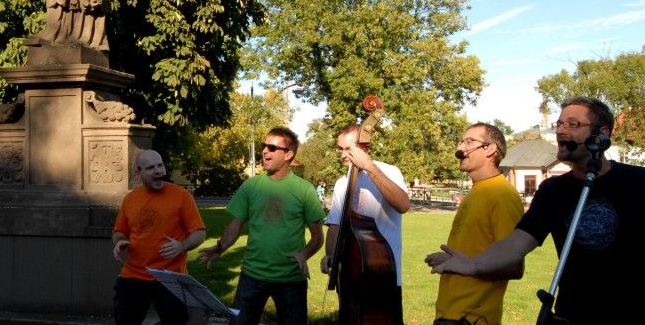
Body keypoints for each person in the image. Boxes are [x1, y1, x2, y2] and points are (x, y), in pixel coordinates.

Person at [429, 97, 645, 325]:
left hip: (642, 317)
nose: (561, 131)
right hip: (571, 318)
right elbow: (516, 243)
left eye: (573, 124)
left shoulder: (642, 182)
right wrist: (475, 264)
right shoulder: (553, 191)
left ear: (602, 134)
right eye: (559, 124)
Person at [198, 127, 325, 325]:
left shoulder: (305, 190)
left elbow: (318, 236)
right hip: (252, 276)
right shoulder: (251, 186)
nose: (265, 151)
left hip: (291, 280)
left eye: (272, 147)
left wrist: (304, 254)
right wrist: (220, 247)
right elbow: (235, 225)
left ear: (288, 154)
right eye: (264, 146)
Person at [425, 123, 524, 325]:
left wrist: (469, 265)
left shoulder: (502, 195)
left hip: (472, 318)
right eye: (462, 141)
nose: (460, 147)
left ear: (490, 149)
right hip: (450, 314)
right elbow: (474, 249)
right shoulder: (476, 190)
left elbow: (514, 266)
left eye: (469, 141)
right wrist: (450, 261)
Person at [320, 123, 410, 324]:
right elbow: (335, 224)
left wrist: (369, 167)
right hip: (349, 272)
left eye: (348, 149)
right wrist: (330, 254)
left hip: (382, 273)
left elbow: (403, 204)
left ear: (364, 147)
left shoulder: (389, 171)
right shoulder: (341, 183)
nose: (343, 155)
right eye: (340, 149)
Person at [112, 149, 206, 324]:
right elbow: (118, 232)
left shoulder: (182, 196)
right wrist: (120, 241)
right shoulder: (130, 199)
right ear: (138, 173)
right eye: (151, 168)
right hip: (133, 275)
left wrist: (182, 246)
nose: (158, 171)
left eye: (160, 165)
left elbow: (199, 232)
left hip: (170, 277)